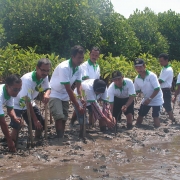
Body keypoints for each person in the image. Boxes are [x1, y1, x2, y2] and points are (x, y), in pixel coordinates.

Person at [10, 58, 51, 141]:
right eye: (43, 70)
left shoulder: (44, 76)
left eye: (48, 71)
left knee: (41, 122)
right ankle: (12, 143)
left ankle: (37, 140)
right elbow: (26, 100)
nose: (45, 73)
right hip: (17, 103)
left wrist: (46, 94)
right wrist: (35, 120)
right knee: (17, 125)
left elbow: (48, 88)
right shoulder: (27, 80)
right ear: (37, 68)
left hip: (30, 101)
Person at [49, 45, 84, 138]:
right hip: (55, 93)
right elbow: (69, 89)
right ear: (72, 56)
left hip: (65, 94)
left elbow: (78, 85)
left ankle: (61, 135)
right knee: (59, 116)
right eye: (78, 58)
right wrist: (77, 105)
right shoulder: (64, 67)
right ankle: (60, 138)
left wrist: (81, 97)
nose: (81, 60)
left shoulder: (79, 68)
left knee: (64, 117)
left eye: (82, 58)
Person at [71, 47, 101, 126]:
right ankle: (73, 122)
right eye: (93, 54)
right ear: (89, 54)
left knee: (91, 108)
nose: (94, 57)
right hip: (84, 90)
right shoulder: (84, 65)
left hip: (92, 90)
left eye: (96, 55)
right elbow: (85, 78)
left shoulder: (97, 66)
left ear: (98, 56)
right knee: (81, 106)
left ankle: (90, 125)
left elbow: (97, 80)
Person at [134, 59, 163, 127]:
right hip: (146, 98)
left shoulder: (152, 76)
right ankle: (137, 126)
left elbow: (157, 89)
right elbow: (135, 90)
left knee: (155, 116)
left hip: (156, 98)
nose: (139, 69)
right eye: (137, 67)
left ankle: (158, 129)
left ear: (144, 66)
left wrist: (150, 99)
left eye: (140, 67)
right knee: (141, 114)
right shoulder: (137, 78)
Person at [0, 74, 22, 151]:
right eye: (15, 89)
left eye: (19, 89)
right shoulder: (0, 95)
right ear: (7, 86)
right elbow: (2, 122)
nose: (17, 92)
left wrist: (15, 118)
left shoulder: (10, 92)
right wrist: (9, 140)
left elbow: (10, 109)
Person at [158, 53, 175, 122]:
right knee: (164, 105)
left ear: (166, 60)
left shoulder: (168, 70)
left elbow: (160, 81)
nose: (160, 62)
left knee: (167, 105)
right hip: (162, 90)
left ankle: (172, 119)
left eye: (161, 61)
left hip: (165, 90)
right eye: (160, 61)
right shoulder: (164, 68)